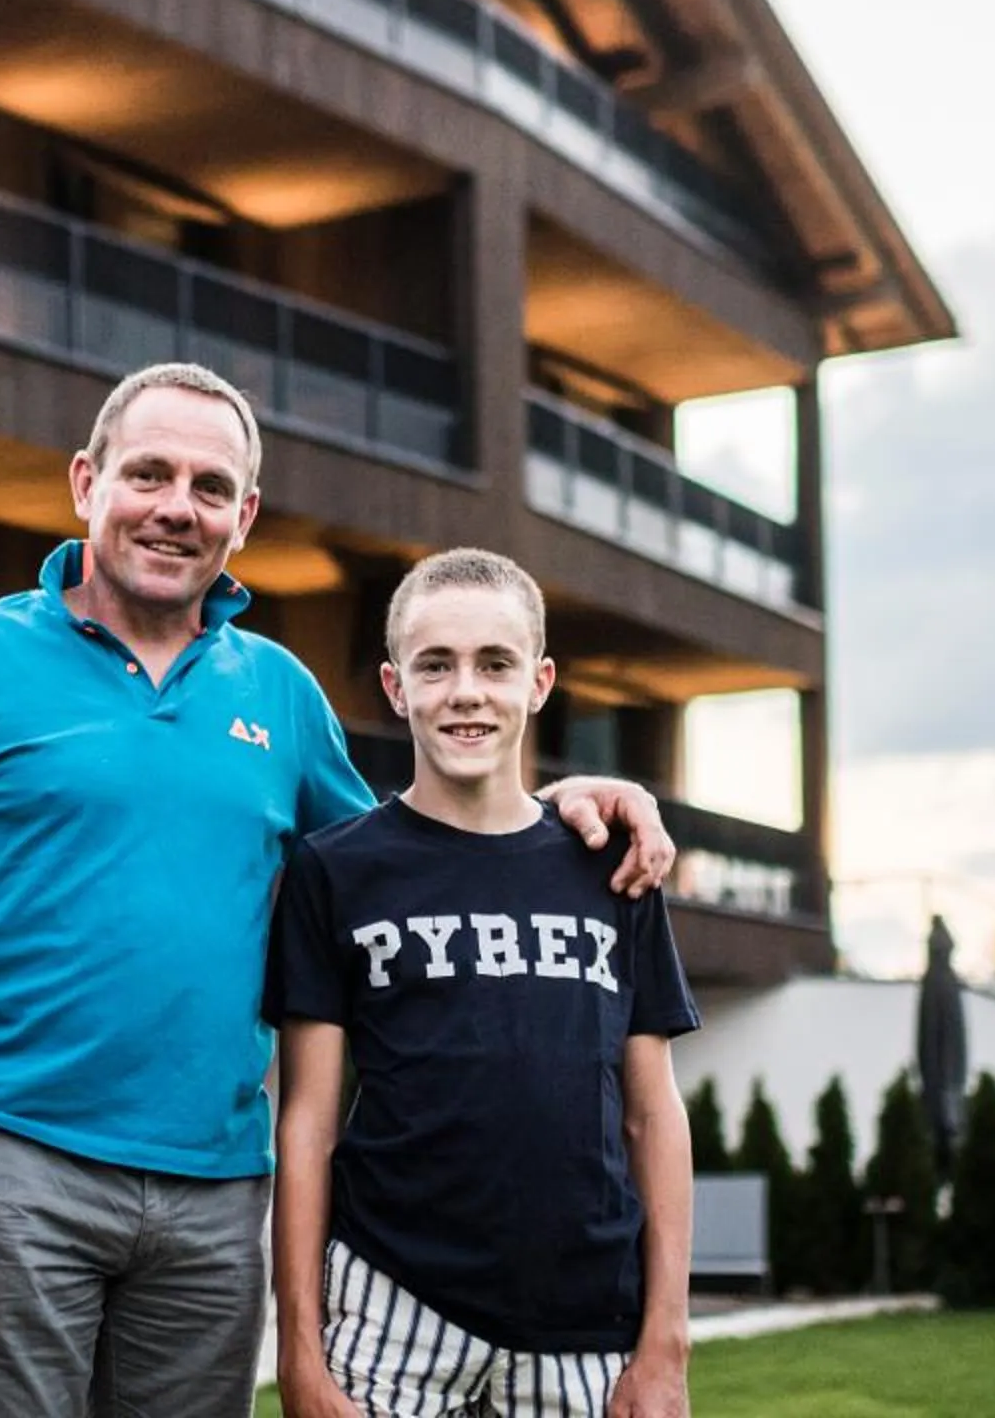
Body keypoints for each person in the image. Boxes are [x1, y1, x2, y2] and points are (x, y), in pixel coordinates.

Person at [0, 364, 680, 1418]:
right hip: (7, 1157)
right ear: (86, 481)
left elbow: (421, 850)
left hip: (216, 1188)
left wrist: (569, 796)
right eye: (148, 472)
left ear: (243, 515)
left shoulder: (281, 693)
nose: (176, 506)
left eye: (210, 485)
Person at [269, 549, 697, 1418]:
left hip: (583, 1321)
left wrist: (666, 1343)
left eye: (495, 664)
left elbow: (654, 1112)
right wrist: (300, 1354)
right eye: (436, 665)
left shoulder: (612, 869)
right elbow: (307, 1124)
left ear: (539, 682)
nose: (466, 690)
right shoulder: (335, 870)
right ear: (395, 687)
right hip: (390, 1307)